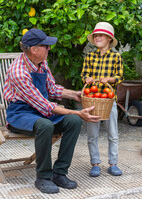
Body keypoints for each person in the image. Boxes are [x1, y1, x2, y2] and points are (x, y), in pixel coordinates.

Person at [3, 28, 100, 194]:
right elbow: (44, 105)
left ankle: (60, 173)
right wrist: (77, 112)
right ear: (34, 49)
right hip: (20, 114)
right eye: (46, 46)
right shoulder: (18, 72)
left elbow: (52, 89)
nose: (49, 49)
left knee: (74, 122)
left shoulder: (42, 63)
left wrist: (75, 95)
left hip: (40, 111)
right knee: (46, 125)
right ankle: (43, 177)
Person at [81, 22, 123, 177]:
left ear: (109, 39)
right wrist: (88, 79)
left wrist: (110, 79)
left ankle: (113, 163)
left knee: (113, 134)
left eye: (101, 35)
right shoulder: (90, 56)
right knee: (92, 134)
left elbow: (120, 77)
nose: (98, 37)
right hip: (92, 100)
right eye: (96, 35)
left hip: (109, 100)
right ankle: (95, 163)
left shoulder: (116, 57)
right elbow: (84, 74)